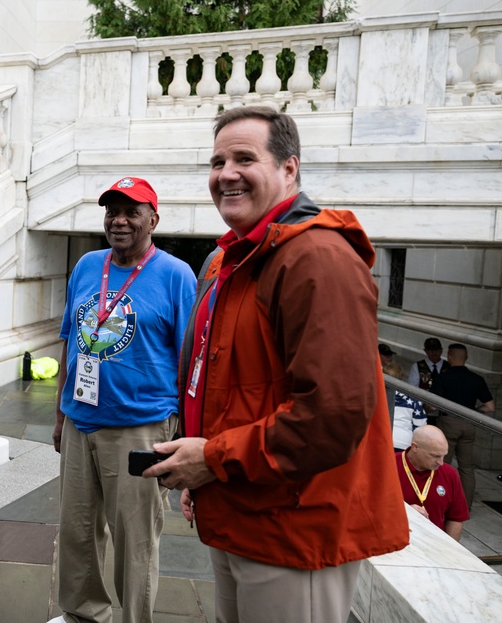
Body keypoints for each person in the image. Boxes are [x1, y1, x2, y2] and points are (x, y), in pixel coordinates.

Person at [144, 106, 409, 623]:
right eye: (217, 161)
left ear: (290, 168)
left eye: (245, 158)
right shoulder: (230, 259)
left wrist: (214, 460)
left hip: (293, 528)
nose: (226, 174)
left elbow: (331, 417)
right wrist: (207, 475)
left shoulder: (316, 258)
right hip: (239, 506)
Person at [47, 178, 196, 623]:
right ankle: (83, 614)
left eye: (132, 211)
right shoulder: (88, 265)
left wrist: (185, 438)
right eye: (112, 211)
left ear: (154, 218)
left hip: (141, 426)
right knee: (76, 530)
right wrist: (59, 416)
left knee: (134, 539)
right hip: (80, 420)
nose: (120, 220)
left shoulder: (175, 275)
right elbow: (70, 343)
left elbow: (190, 360)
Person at [433, 343, 495, 511]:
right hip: (469, 423)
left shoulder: (442, 377)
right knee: (467, 467)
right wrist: (472, 412)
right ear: (466, 358)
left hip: (448, 423)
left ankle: (441, 503)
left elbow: (432, 406)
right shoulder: (477, 379)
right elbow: (490, 407)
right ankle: (465, 508)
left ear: (449, 357)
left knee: (442, 463)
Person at [396, 426, 469, 541]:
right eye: (435, 456)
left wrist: (449, 551)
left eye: (444, 456)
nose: (440, 462)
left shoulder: (450, 473)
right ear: (415, 447)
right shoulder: (388, 466)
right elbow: (369, 507)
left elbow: (456, 518)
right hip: (393, 543)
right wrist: (403, 511)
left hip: (432, 547)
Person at [385, 362, 427, 451]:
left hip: (380, 440)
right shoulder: (413, 399)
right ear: (401, 378)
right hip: (403, 443)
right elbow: (420, 426)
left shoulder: (374, 397)